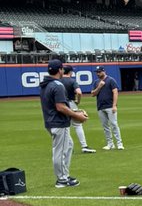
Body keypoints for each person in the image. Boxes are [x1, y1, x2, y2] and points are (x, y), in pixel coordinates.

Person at [39, 59, 88, 188]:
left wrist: (76, 111)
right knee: (60, 151)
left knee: (69, 145)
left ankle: (64, 175)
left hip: (51, 121)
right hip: (59, 122)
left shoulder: (46, 84)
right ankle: (61, 180)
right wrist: (77, 116)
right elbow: (60, 107)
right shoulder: (57, 85)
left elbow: (56, 105)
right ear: (60, 70)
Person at [61, 65, 96, 153]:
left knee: (65, 126)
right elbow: (79, 92)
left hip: (61, 104)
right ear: (70, 72)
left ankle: (67, 146)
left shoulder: (58, 81)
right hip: (71, 103)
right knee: (77, 125)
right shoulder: (72, 81)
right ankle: (84, 146)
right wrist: (78, 101)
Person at [90, 66, 124, 149]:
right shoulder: (96, 82)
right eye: (97, 72)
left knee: (114, 124)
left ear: (104, 71)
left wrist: (114, 105)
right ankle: (110, 143)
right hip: (100, 106)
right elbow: (93, 94)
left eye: (99, 72)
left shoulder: (110, 80)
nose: (98, 74)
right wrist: (99, 87)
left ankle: (119, 143)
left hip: (110, 106)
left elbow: (115, 92)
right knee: (105, 126)